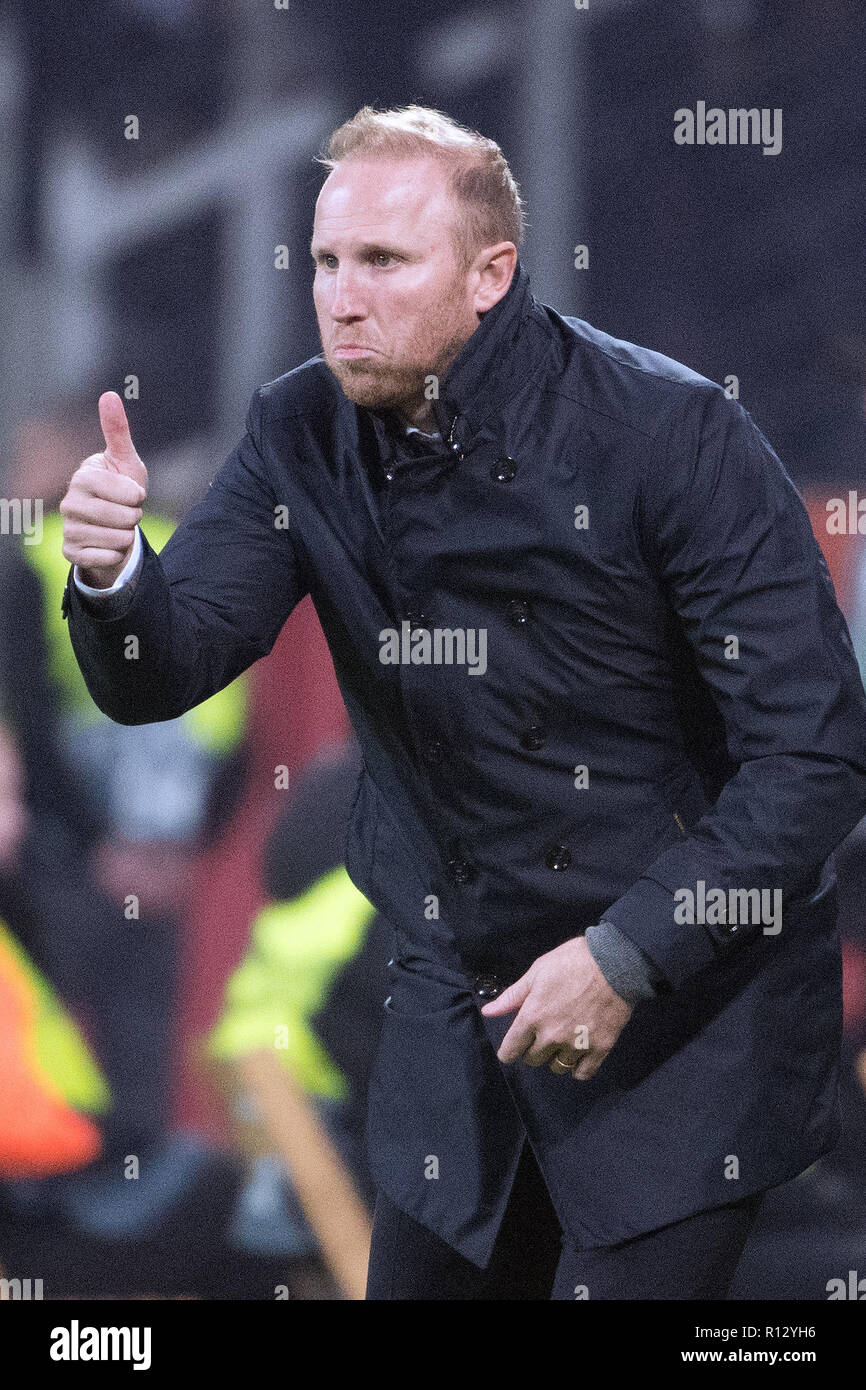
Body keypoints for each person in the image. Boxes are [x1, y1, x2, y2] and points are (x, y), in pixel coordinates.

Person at [57, 105, 866, 1300]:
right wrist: (112, 571)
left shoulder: (669, 430)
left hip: (683, 1025)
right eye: (326, 262)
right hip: (460, 1018)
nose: (340, 295)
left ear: (491, 274)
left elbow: (813, 755)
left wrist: (624, 956)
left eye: (382, 261)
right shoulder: (297, 431)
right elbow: (163, 672)